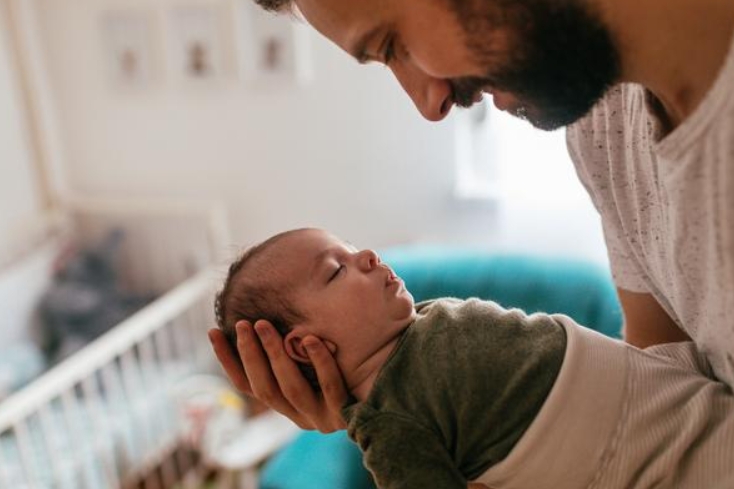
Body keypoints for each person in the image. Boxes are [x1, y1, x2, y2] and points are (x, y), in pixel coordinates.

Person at [208, 0, 734, 443]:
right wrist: (393, 417)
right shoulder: (604, 121)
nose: (429, 102)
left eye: (394, 43)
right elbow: (662, 385)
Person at [214, 228, 734, 488]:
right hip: (635, 452)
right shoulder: (391, 420)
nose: (369, 257)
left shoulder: (421, 319)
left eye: (354, 251)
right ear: (306, 346)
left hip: (656, 389)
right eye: (336, 270)